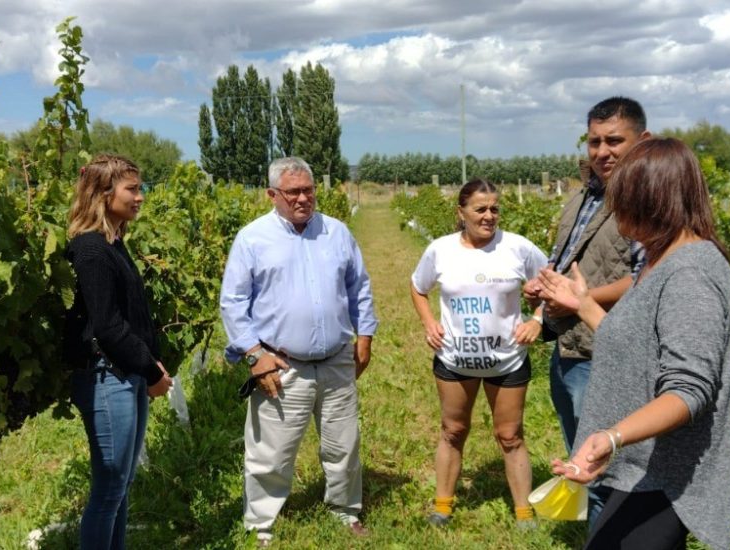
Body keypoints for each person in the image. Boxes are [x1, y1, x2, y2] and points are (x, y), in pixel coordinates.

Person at [543, 138, 730, 550]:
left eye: (624, 203)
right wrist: (581, 304)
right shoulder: (658, 261)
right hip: (639, 468)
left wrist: (612, 437)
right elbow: (633, 343)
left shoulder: (691, 275)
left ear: (655, 201)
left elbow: (689, 391)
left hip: (665, 479)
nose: (616, 216)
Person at [220, 156, 378, 547]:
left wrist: (365, 336)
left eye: (308, 190)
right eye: (293, 192)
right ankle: (261, 523)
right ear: (272, 194)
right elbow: (233, 302)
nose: (303, 198)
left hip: (338, 358)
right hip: (280, 363)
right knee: (271, 451)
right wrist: (255, 355)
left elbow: (360, 287)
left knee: (343, 443)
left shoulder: (337, 232)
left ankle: (345, 510)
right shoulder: (253, 238)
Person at [524, 96, 650, 522]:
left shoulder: (647, 201)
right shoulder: (584, 196)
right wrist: (545, 287)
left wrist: (582, 299)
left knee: (609, 474)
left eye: (615, 140)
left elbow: (646, 277)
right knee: (585, 465)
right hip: (571, 346)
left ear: (642, 140)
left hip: (608, 353)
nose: (602, 151)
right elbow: (572, 262)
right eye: (594, 141)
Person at [409, 179, 548, 527]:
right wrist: (429, 323)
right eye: (480, 209)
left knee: (510, 435)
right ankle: (442, 506)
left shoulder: (518, 248)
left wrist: (538, 320)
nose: (489, 216)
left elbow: (551, 283)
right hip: (455, 360)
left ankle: (523, 512)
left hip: (508, 360)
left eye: (495, 209)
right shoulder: (440, 250)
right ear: (461, 212)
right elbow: (417, 287)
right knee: (453, 430)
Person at [63, 155, 173, 549]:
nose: (140, 197)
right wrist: (152, 370)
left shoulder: (112, 244)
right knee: (109, 488)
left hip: (125, 375)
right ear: (104, 193)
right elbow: (108, 326)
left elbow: (132, 318)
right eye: (133, 189)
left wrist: (148, 368)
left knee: (121, 485)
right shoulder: (91, 250)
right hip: (107, 376)